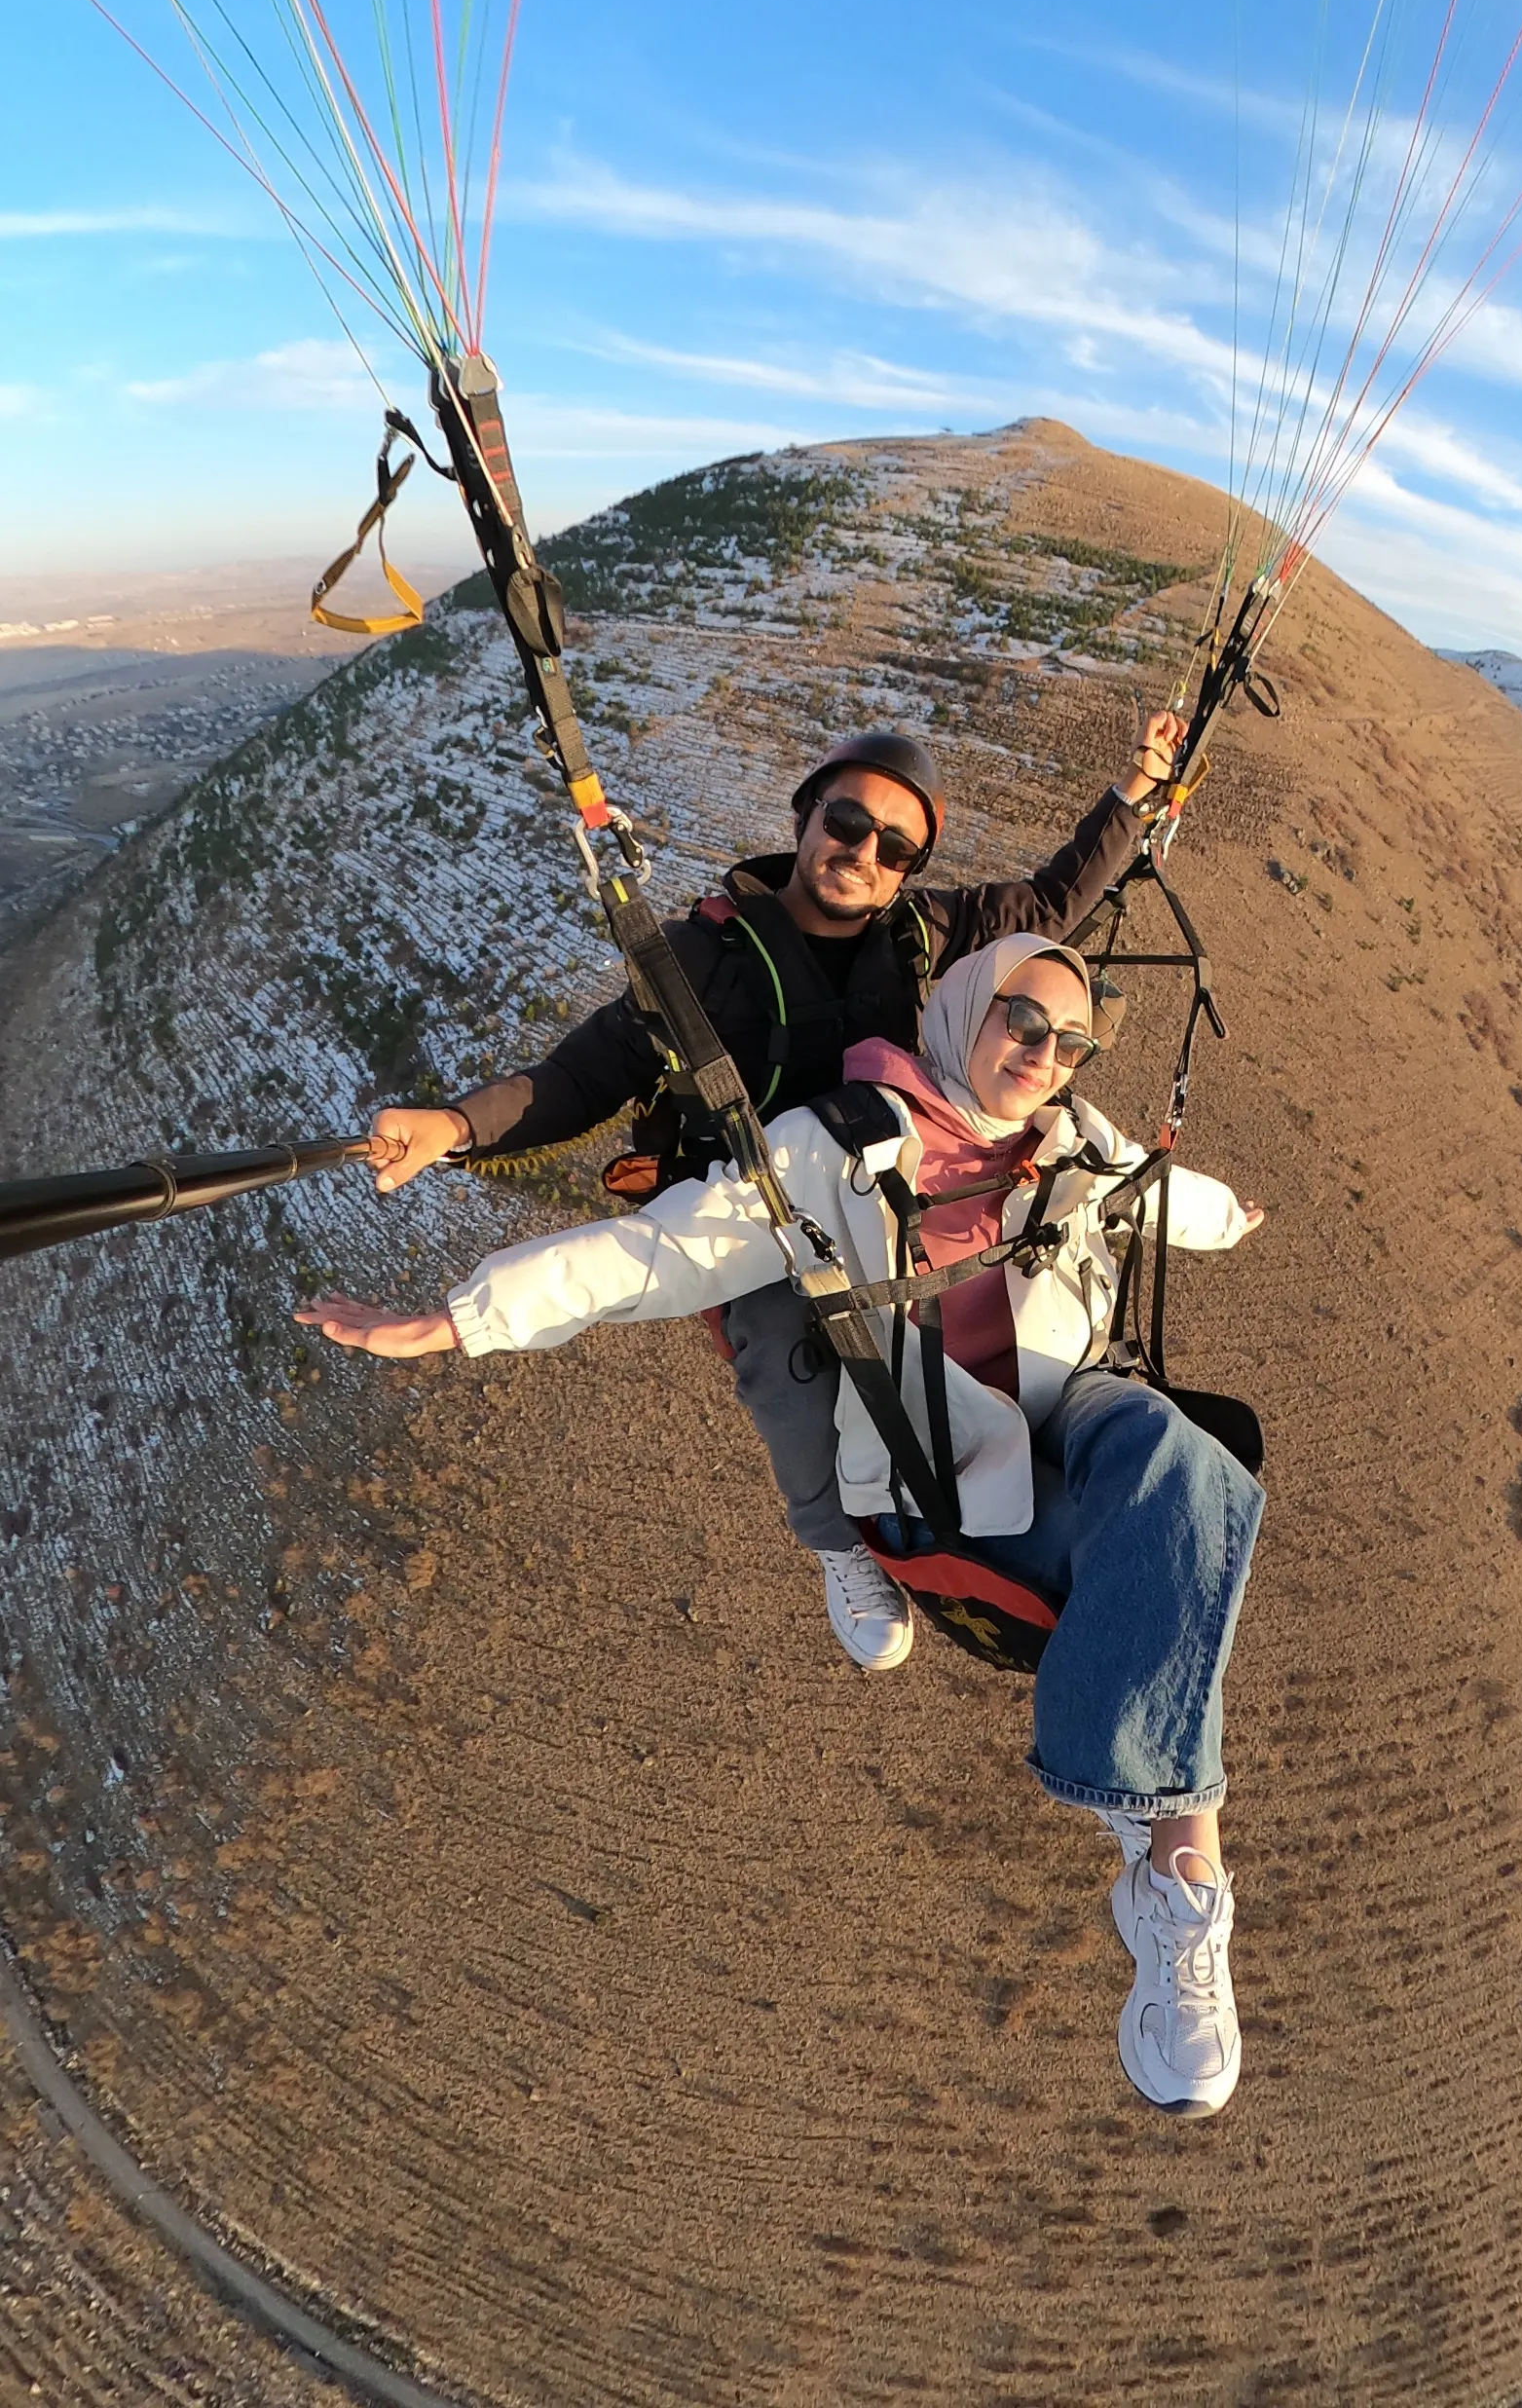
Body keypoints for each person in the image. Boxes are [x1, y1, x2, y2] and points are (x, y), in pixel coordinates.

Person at [300, 934, 1267, 2118]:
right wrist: (455, 1320)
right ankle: (1176, 1870)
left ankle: (1160, 1864)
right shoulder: (844, 1145)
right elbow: (655, 1254)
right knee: (1173, 1567)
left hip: (1078, 1406)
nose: (1044, 1054)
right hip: (945, 1465)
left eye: (1071, 1041)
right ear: (965, 1003)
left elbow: (1169, 1197)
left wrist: (1235, 1218)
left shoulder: (1077, 1141)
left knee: (1193, 1465)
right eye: (1022, 1019)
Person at [362, 714, 1184, 1677]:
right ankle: (840, 1542)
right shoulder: (701, 960)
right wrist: (454, 1127)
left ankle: (1020, 1463)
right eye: (846, 820)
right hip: (753, 1207)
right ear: (806, 814)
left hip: (881, 1189)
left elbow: (1052, 902)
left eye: (895, 846)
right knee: (784, 1343)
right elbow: (581, 1076)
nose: (862, 852)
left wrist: (1132, 797)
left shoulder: (928, 936)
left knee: (996, 1280)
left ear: (910, 867)